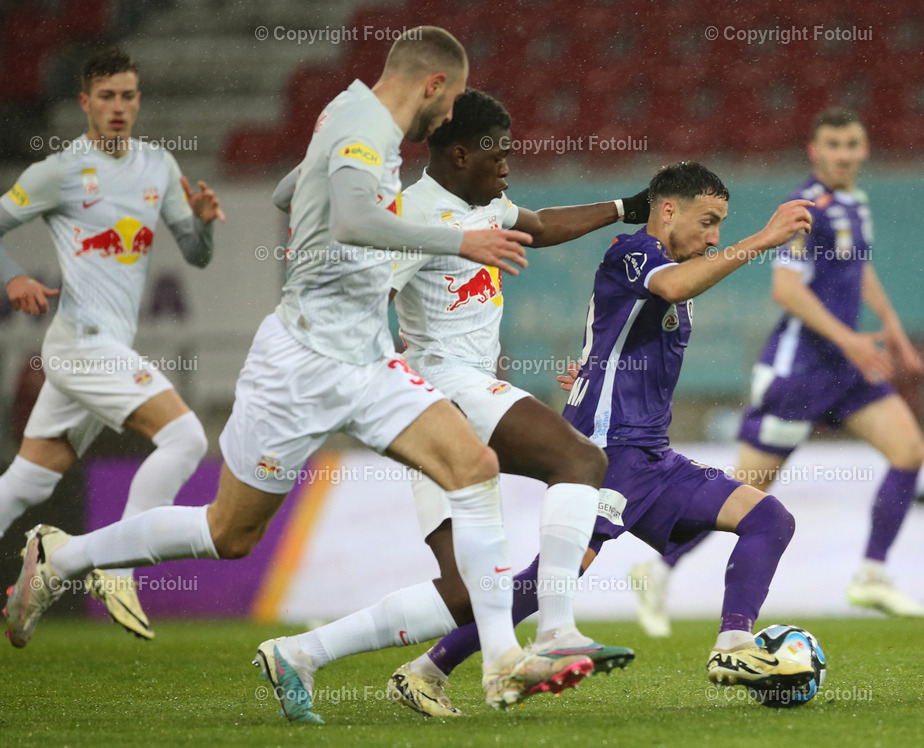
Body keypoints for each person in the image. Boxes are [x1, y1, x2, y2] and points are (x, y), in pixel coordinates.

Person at [4, 27, 592, 721]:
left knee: (474, 467)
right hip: (300, 363)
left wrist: (334, 184)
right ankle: (61, 559)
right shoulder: (363, 129)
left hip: (368, 358)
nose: (450, 115)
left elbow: (290, 192)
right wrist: (455, 237)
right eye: (454, 97)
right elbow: (348, 219)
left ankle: (500, 662)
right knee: (229, 535)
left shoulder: (351, 118)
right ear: (433, 84)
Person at [385, 160, 818, 715]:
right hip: (608, 453)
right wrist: (767, 238)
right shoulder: (634, 253)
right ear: (667, 211)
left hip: (653, 458)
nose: (714, 237)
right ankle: (425, 670)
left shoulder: (667, 266)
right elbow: (676, 284)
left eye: (721, 226)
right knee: (549, 580)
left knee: (769, 519)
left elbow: (619, 335)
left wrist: (591, 368)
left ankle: (733, 645)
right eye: (708, 221)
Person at [381, 88, 643, 716]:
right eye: (498, 154)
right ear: (460, 152)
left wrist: (623, 207)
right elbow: (368, 302)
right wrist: (383, 384)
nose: (507, 167)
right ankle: (555, 632)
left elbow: (542, 225)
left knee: (467, 593)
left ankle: (301, 655)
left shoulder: (485, 203)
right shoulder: (411, 217)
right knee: (579, 460)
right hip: (438, 386)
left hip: (454, 394)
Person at [631, 108, 924, 633]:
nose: (843, 153)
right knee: (747, 491)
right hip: (799, 373)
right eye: (832, 144)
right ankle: (657, 569)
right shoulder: (805, 208)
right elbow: (785, 290)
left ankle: (872, 574)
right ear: (816, 152)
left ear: (863, 151)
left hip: (847, 367)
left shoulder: (855, 204)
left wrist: (889, 324)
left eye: (852, 144)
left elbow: (856, 267)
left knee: (909, 450)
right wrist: (853, 340)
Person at [0, 47, 223, 640]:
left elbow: (198, 256)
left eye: (127, 95)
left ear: (138, 99)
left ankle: (35, 581)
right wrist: (13, 277)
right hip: (81, 345)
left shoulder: (157, 165)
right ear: (85, 103)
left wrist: (200, 223)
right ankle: (117, 564)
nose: (118, 107)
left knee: (29, 481)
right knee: (185, 435)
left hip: (105, 349)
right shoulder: (61, 170)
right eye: (106, 97)